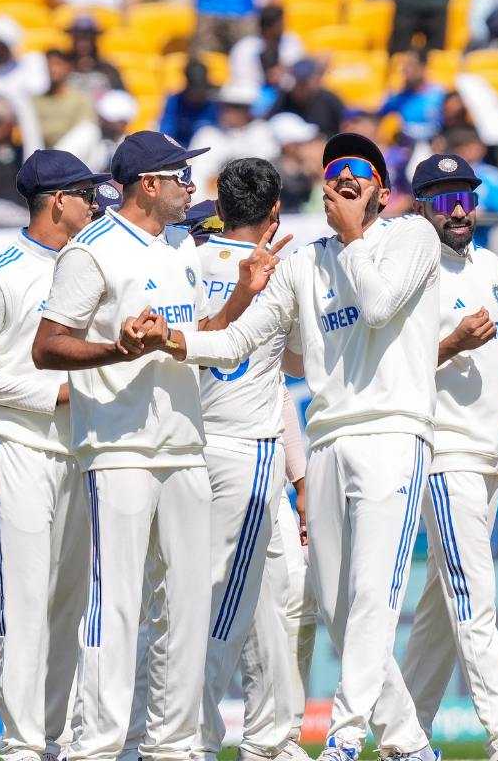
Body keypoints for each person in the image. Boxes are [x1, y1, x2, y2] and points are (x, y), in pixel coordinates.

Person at [136, 132, 444, 761]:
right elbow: (239, 341)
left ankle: (347, 734)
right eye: (335, 175)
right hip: (330, 438)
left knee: (373, 591)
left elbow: (380, 306)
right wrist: (176, 341)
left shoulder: (413, 238)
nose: (344, 183)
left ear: (382, 190)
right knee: (332, 601)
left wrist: (356, 235)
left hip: (393, 429)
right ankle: (409, 740)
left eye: (359, 174)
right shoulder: (303, 262)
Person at [31, 131, 282, 761]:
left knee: (189, 604)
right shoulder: (92, 252)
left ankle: (173, 746)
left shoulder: (180, 250)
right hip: (117, 448)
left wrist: (243, 296)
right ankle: (97, 746)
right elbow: (47, 346)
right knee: (114, 604)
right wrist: (118, 348)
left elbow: (197, 338)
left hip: (183, 445)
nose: (191, 189)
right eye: (181, 178)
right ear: (149, 184)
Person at [374, 153, 498, 761]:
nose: (458, 209)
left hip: (488, 457)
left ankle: (404, 737)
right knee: (472, 595)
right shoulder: (410, 267)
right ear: (421, 204)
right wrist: (453, 342)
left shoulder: (487, 264)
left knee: (440, 606)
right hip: (440, 452)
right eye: (443, 198)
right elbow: (385, 367)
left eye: (466, 197)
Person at [0, 150, 107, 761]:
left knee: (72, 602)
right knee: (23, 603)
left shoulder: (91, 264)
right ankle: (21, 744)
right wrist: (55, 394)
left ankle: (59, 738)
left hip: (80, 449)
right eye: (86, 194)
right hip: (18, 446)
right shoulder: (0, 274)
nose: (95, 204)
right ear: (59, 201)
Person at [180, 160, 305, 761]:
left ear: (219, 208)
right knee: (227, 602)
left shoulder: (186, 262)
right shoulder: (280, 273)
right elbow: (303, 362)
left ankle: (272, 739)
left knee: (268, 598)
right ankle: (192, 736)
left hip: (188, 445)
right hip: (249, 451)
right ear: (275, 210)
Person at [56, 89, 137, 172]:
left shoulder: (123, 142)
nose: (118, 127)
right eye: (104, 118)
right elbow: (58, 162)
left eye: (120, 122)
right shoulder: (87, 133)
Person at [34, 49, 96, 149]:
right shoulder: (36, 100)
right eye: (48, 65)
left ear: (67, 67)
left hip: (72, 156)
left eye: (57, 64)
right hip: (42, 152)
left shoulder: (80, 99)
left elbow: (84, 132)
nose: (52, 69)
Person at [270, 60, 345, 138]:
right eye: (298, 82)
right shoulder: (284, 99)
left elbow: (344, 127)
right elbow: (269, 122)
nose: (301, 87)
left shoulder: (329, 100)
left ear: (316, 80)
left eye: (304, 83)